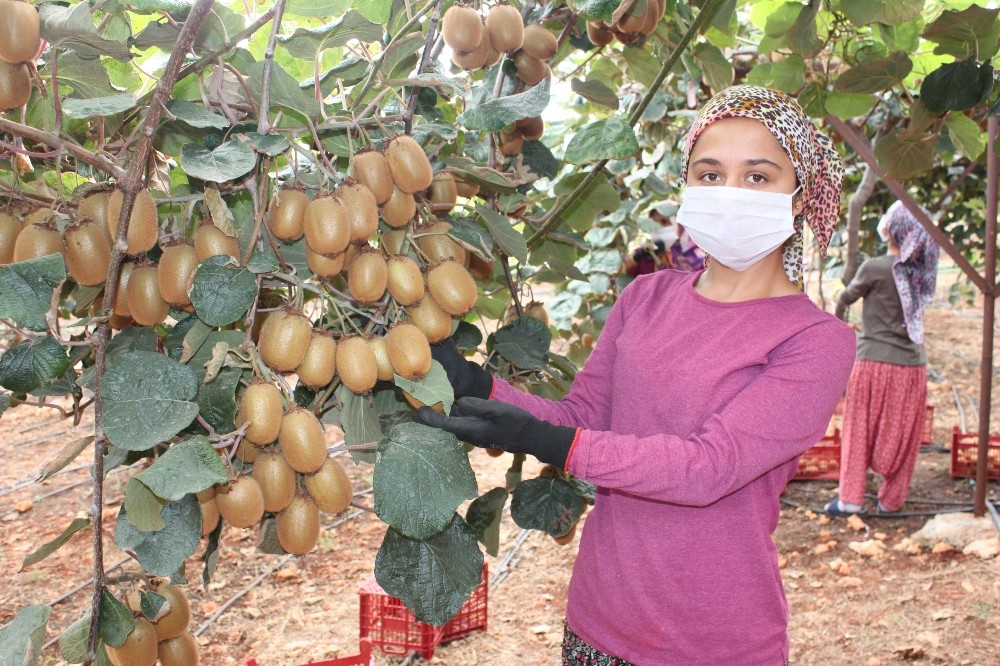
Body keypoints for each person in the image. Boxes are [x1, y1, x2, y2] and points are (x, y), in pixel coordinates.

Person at [415, 85, 856, 665]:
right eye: (709, 172)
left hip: (712, 645)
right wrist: (480, 388)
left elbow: (707, 469)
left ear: (797, 198)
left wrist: (542, 439)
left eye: (757, 177)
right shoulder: (646, 297)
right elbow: (582, 419)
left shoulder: (815, 340)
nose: (728, 192)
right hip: (599, 622)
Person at [826, 201, 940, 516]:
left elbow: (845, 298)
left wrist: (839, 318)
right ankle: (891, 502)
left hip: (872, 361)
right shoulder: (921, 272)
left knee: (858, 429)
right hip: (912, 366)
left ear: (892, 230)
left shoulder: (874, 267)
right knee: (903, 433)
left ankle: (850, 499)